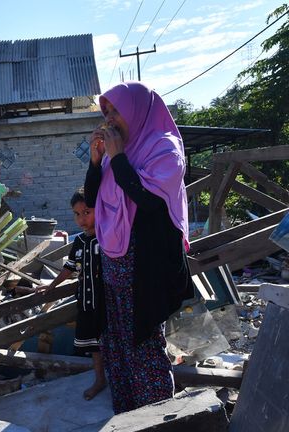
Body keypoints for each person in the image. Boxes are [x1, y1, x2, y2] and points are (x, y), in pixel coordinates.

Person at [85, 81, 195, 414]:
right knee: (117, 338)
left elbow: (147, 200)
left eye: (116, 110)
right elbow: (92, 200)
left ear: (136, 109)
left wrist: (117, 159)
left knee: (144, 339)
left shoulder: (164, 149)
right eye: (107, 112)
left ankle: (157, 415)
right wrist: (95, 161)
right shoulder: (118, 152)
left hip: (146, 262)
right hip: (115, 258)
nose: (111, 118)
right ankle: (129, 411)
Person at [43, 188, 106, 400]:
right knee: (94, 345)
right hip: (87, 302)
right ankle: (99, 380)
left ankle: (122, 378)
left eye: (87, 212)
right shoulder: (79, 242)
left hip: (107, 303)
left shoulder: (109, 237)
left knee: (112, 341)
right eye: (77, 214)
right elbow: (69, 268)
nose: (81, 219)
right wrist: (51, 286)